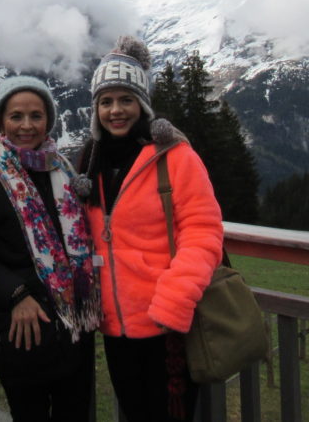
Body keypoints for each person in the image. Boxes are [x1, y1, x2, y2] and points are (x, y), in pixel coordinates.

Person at [75, 37, 224, 422]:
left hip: (167, 325)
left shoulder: (174, 156)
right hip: (114, 327)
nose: (115, 111)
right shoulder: (90, 163)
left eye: (125, 99)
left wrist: (175, 301)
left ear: (141, 103)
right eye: (105, 102)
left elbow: (203, 232)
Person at [0, 76, 100, 422]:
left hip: (75, 329)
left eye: (36, 116)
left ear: (49, 120)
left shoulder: (62, 170)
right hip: (23, 330)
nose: (26, 126)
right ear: (1, 121)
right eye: (16, 116)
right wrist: (15, 294)